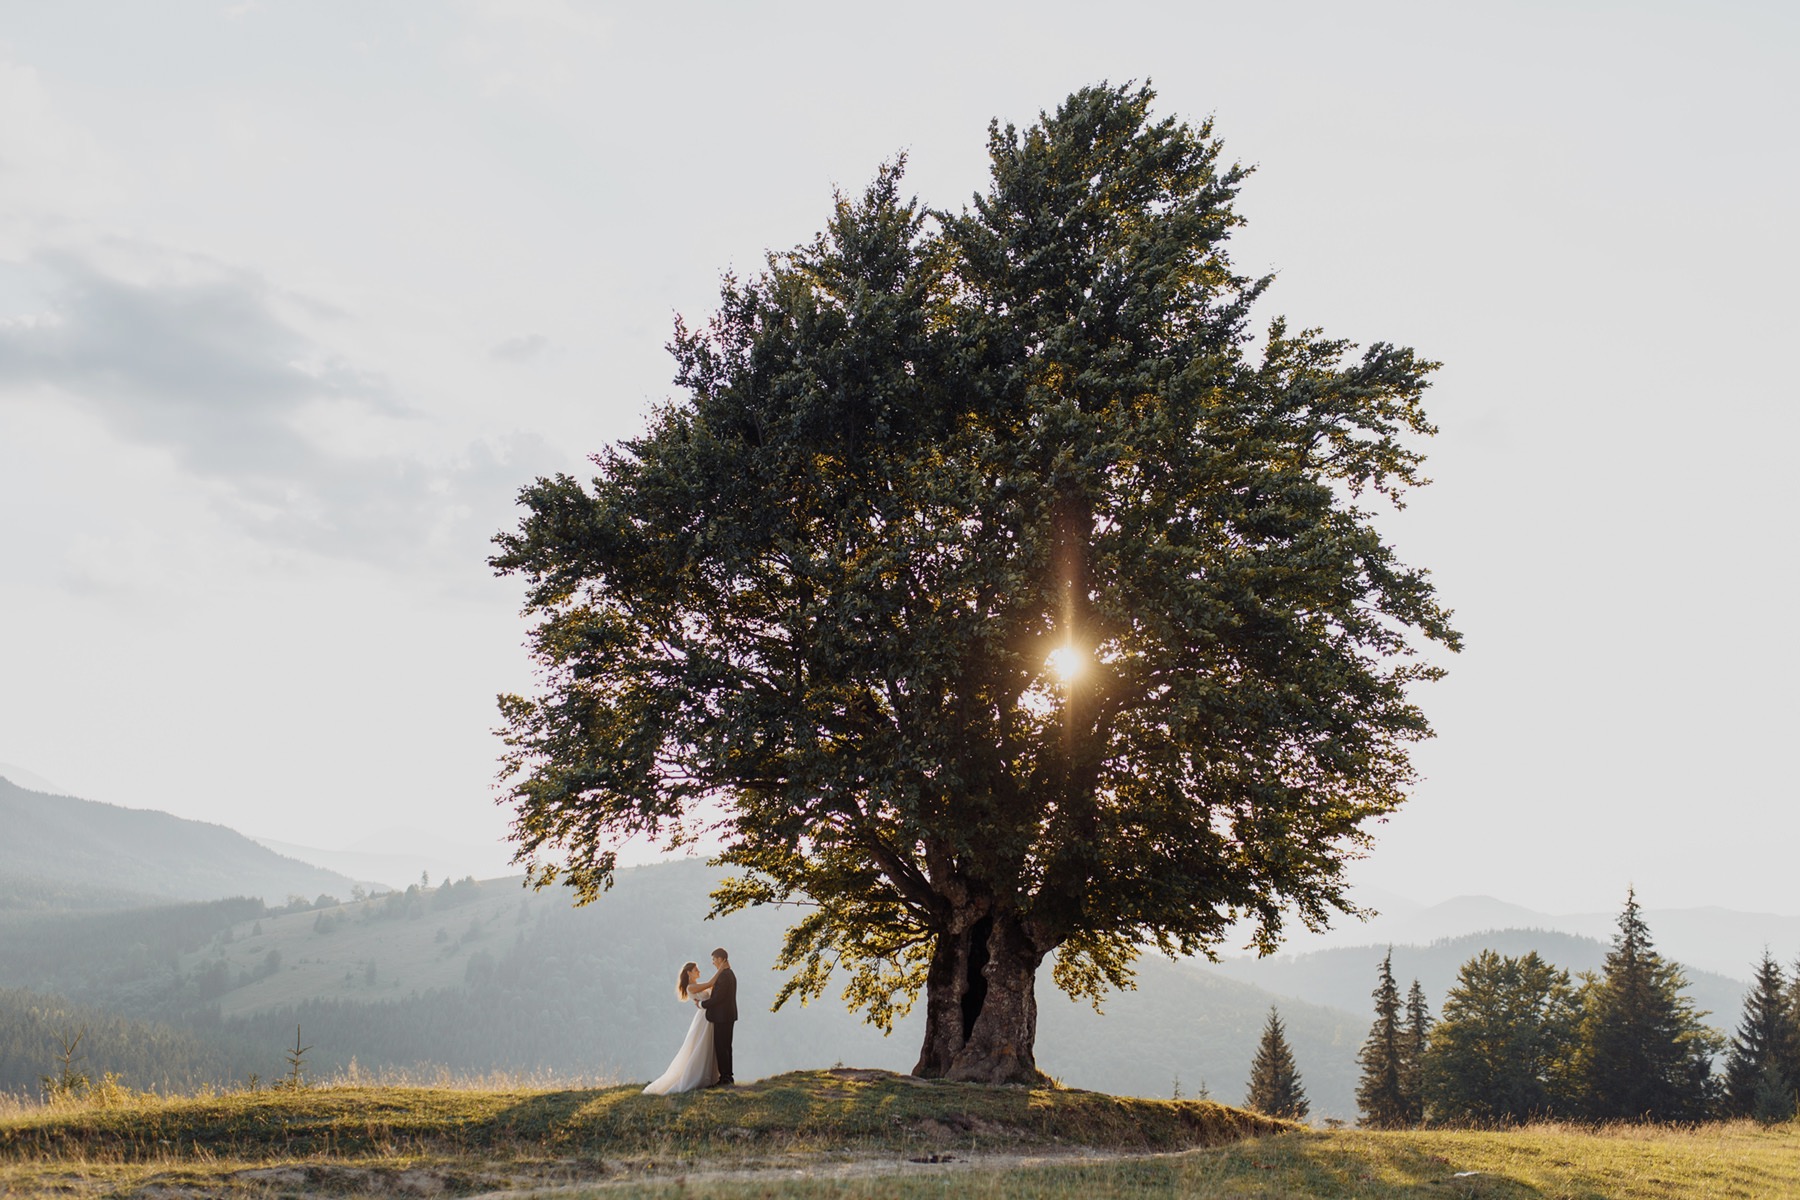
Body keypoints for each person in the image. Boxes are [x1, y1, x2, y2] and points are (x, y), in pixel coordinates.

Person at [641, 960, 719, 1094]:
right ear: (689, 973)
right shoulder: (691, 987)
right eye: (696, 970)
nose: (698, 971)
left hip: (708, 1015)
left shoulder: (697, 986)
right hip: (704, 1018)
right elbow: (711, 983)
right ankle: (699, 1076)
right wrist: (721, 969)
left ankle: (710, 1076)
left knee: (707, 1045)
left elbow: (711, 989)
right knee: (701, 1045)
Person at [699, 947, 737, 1087]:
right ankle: (728, 1076)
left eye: (714, 959)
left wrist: (703, 1004)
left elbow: (719, 998)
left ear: (721, 959)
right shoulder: (730, 974)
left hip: (722, 1017)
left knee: (721, 1047)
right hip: (729, 1015)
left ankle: (725, 1078)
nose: (713, 962)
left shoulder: (724, 976)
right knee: (727, 1046)